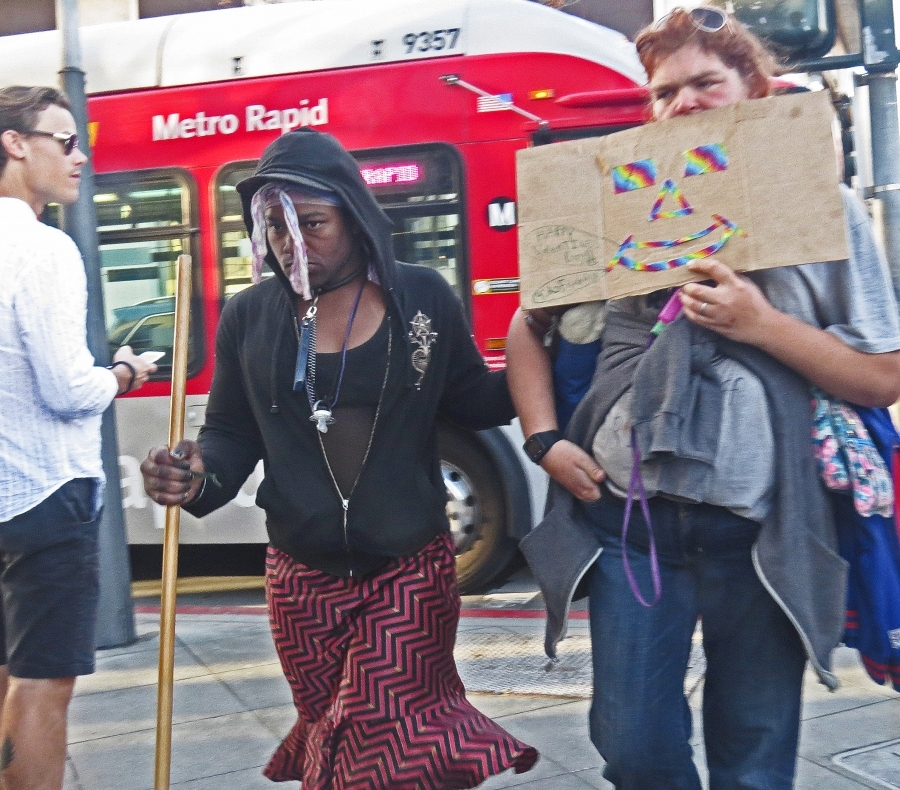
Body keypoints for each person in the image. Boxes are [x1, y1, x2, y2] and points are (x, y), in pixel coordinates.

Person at [507, 7, 900, 790]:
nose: (682, 104)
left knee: (753, 758)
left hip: (763, 532)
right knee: (632, 746)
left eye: (704, 84)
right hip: (630, 529)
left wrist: (761, 324)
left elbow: (883, 374)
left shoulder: (822, 204)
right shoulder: (611, 204)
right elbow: (527, 328)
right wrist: (545, 441)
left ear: (752, 90)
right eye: (663, 93)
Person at [140, 128, 538, 789]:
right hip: (301, 581)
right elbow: (232, 436)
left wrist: (544, 339)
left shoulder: (422, 298)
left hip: (410, 566)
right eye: (275, 227)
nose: (293, 244)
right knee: (354, 740)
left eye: (313, 224)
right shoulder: (249, 316)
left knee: (368, 741)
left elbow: (480, 400)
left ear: (354, 217)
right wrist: (194, 473)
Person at [0, 85, 155, 790]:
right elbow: (67, 390)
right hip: (45, 495)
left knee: (7, 673)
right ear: (14, 143)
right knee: (43, 683)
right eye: (64, 141)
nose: (80, 156)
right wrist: (122, 372)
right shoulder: (42, 248)